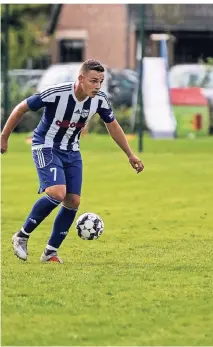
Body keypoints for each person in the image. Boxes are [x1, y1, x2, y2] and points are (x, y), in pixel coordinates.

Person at [1, 59, 144, 263]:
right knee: (58, 193)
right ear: (81, 78)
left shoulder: (99, 100)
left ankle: (50, 252)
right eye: (93, 81)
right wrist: (4, 136)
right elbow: (21, 107)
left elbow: (112, 126)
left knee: (73, 200)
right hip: (46, 146)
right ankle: (22, 236)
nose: (97, 86)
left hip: (72, 151)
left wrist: (130, 154)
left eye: (100, 81)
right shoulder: (56, 93)